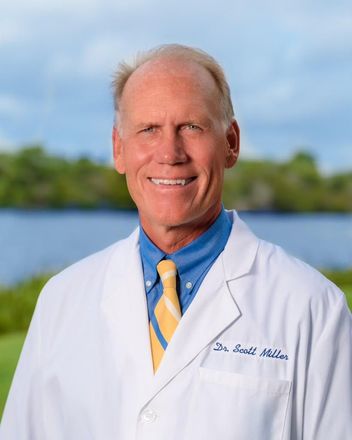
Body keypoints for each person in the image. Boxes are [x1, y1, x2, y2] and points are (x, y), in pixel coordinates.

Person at [1, 44, 351, 439]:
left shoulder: (312, 308)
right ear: (119, 149)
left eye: (192, 127)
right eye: (148, 129)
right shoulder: (61, 301)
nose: (169, 153)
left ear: (231, 143)